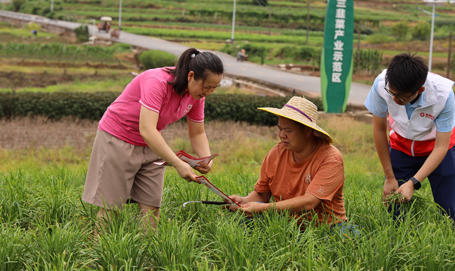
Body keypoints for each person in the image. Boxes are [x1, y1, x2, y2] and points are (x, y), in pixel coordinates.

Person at [82, 47, 224, 228]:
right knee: (112, 208)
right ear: (190, 76)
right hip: (117, 138)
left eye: (214, 88)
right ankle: (102, 254)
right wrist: (178, 163)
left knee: (152, 208)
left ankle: (147, 255)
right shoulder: (157, 81)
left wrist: (206, 159)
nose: (209, 92)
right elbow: (147, 129)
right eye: (206, 86)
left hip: (151, 145)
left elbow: (197, 133)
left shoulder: (197, 96)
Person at [364, 52, 455, 223]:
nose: (394, 99)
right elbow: (379, 130)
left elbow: (441, 146)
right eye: (392, 93)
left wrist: (413, 182)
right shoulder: (381, 84)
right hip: (401, 146)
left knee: (448, 206)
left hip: (438, 149)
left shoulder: (443, 95)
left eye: (401, 97)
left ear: (420, 90)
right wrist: (389, 177)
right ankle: (398, 242)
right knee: (394, 203)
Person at [228, 96, 347, 227]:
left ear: (307, 130)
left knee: (349, 238)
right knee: (242, 222)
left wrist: (263, 208)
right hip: (284, 221)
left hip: (325, 226)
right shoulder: (276, 154)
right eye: (280, 129)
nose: (282, 135)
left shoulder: (330, 158)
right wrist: (243, 201)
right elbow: (262, 195)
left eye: (288, 130)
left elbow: (310, 202)